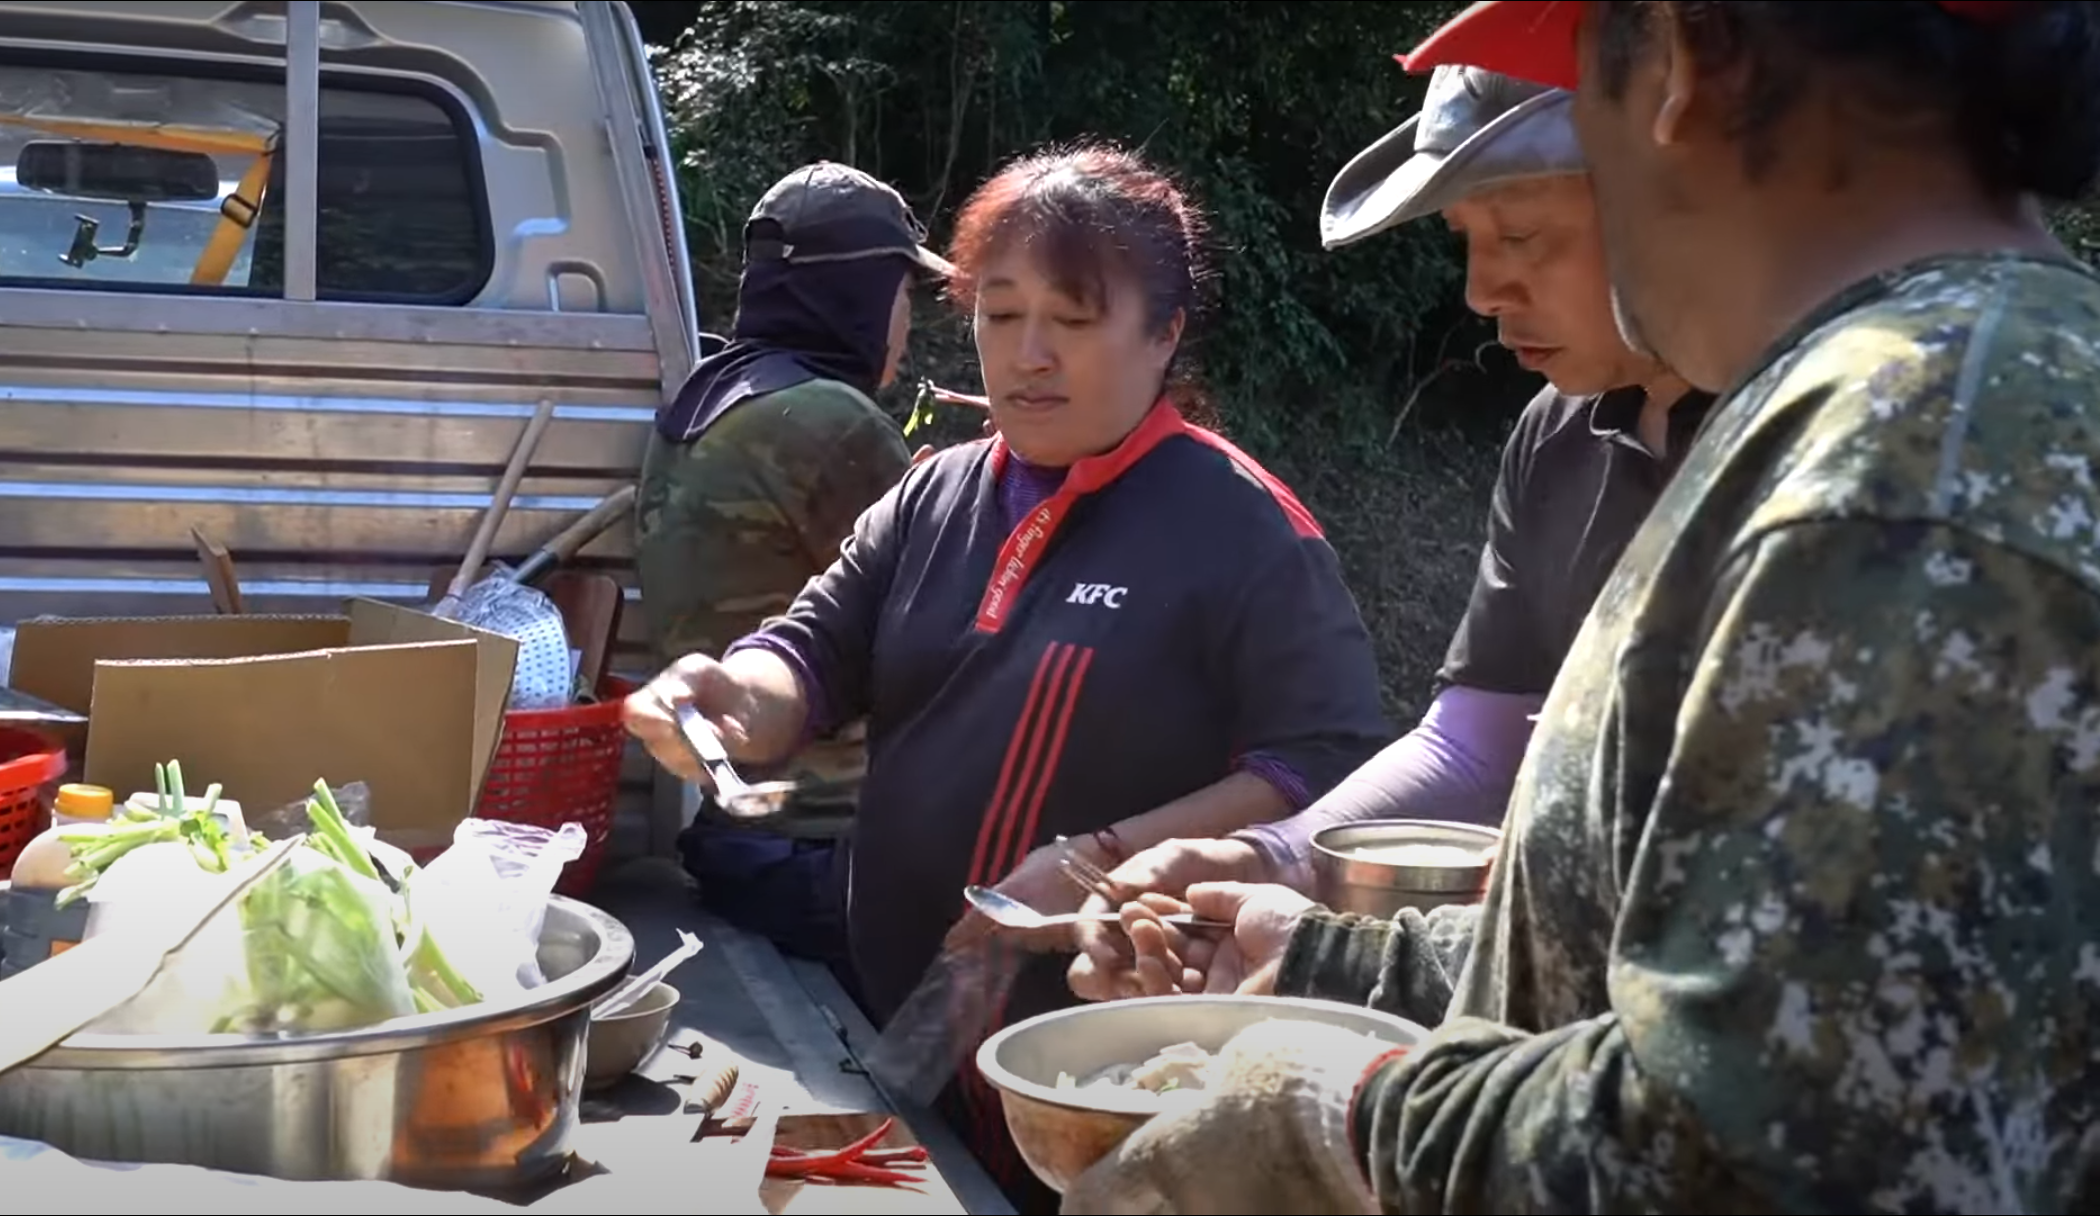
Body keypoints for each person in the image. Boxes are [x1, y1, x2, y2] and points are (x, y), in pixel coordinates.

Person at [1064, 1, 2100, 1212]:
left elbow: (1757, 1151)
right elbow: (1714, 974)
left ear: (1674, 61)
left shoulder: (1907, 458)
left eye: (1585, 93)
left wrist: (1327, 1121)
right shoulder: (1912, 399)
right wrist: (1326, 957)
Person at [623, 143, 1391, 1212]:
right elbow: (809, 653)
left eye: (1073, 321)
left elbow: (1327, 764)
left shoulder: (1242, 527)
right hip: (898, 1014)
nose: (1027, 354)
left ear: (1164, 332)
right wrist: (725, 692)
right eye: (998, 312)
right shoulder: (931, 494)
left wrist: (1100, 859)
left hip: (1106, 1060)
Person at [1069, 64, 1711, 1001]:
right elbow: (1476, 743)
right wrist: (1277, 858)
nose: (1484, 290)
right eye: (1470, 242)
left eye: (1523, 236)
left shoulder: (1815, 439)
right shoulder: (1556, 435)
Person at [633, 161, 944, 984]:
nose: (906, 325)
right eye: (904, 294)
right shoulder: (830, 421)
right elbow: (960, 617)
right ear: (864, 293)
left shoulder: (708, 394)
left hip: (738, 835)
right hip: (828, 847)